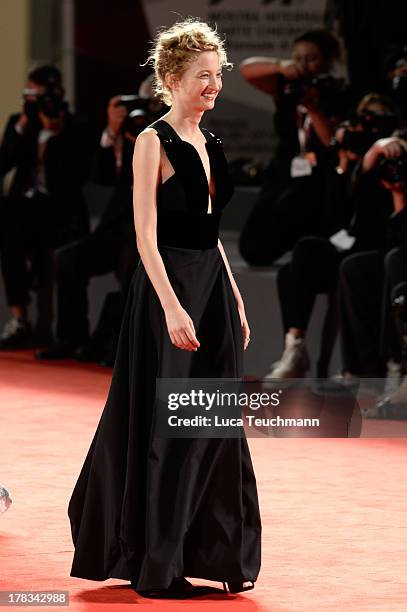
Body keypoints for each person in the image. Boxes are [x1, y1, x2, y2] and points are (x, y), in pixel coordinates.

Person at [67, 19, 261, 599]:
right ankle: (158, 559)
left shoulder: (214, 143)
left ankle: (210, 549)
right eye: (202, 76)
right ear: (171, 79)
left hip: (211, 290)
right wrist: (174, 308)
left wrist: (235, 296)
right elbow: (145, 238)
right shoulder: (152, 140)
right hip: (167, 291)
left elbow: (212, 231)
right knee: (168, 425)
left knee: (214, 423)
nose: (213, 85)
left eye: (217, 74)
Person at [266, 94, 401, 379]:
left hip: (373, 245)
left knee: (343, 265)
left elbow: (372, 223)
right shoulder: (347, 160)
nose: (368, 130)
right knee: (295, 264)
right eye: (365, 122)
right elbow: (333, 216)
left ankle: (354, 366)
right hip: (346, 244)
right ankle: (295, 348)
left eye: (378, 122)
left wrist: (371, 162)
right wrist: (344, 164)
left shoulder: (393, 157)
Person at [35, 79, 166, 363]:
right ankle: (70, 338)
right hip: (117, 227)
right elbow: (102, 177)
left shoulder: (175, 134)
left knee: (132, 262)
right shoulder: (131, 134)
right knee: (67, 259)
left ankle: (116, 345)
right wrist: (112, 133)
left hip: (155, 230)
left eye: (155, 105)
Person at [239, 29, 351, 266]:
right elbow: (246, 69)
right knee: (252, 248)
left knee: (300, 208)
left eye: (311, 58)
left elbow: (329, 141)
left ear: (328, 60)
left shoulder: (338, 92)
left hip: (321, 174)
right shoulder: (287, 85)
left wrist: (311, 107)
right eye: (298, 57)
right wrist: (280, 66)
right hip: (285, 166)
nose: (303, 64)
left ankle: (304, 243)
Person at [0, 65, 94, 349]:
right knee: (8, 239)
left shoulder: (76, 124)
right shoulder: (20, 122)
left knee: (48, 252)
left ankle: (48, 326)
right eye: (31, 94)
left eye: (42, 94)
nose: (38, 101)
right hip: (22, 206)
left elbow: (76, 177)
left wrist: (54, 136)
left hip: (59, 207)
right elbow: (4, 164)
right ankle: (19, 319)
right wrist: (24, 128)